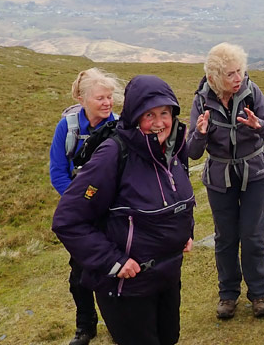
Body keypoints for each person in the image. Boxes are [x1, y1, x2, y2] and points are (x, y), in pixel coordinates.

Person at [52, 75, 195, 345]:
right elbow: (67, 220)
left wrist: (186, 232)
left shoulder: (174, 148)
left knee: (169, 339)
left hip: (166, 276)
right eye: (148, 114)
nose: (158, 123)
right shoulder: (114, 153)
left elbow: (180, 199)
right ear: (133, 116)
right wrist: (112, 261)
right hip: (126, 287)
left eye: (165, 113)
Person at [187, 42, 264, 319]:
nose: (238, 78)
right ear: (215, 77)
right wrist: (201, 133)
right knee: (225, 238)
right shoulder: (201, 100)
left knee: (253, 237)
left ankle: (259, 294)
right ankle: (228, 295)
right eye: (230, 74)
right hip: (220, 179)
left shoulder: (253, 93)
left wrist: (258, 125)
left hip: (255, 175)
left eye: (240, 70)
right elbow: (192, 153)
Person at [49, 67, 124, 345]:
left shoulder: (119, 127)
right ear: (82, 99)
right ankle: (85, 327)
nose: (107, 103)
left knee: (115, 269)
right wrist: (79, 206)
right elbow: (58, 171)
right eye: (100, 98)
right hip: (81, 216)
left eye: (110, 97)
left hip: (113, 212)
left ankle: (119, 325)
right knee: (80, 276)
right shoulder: (67, 128)